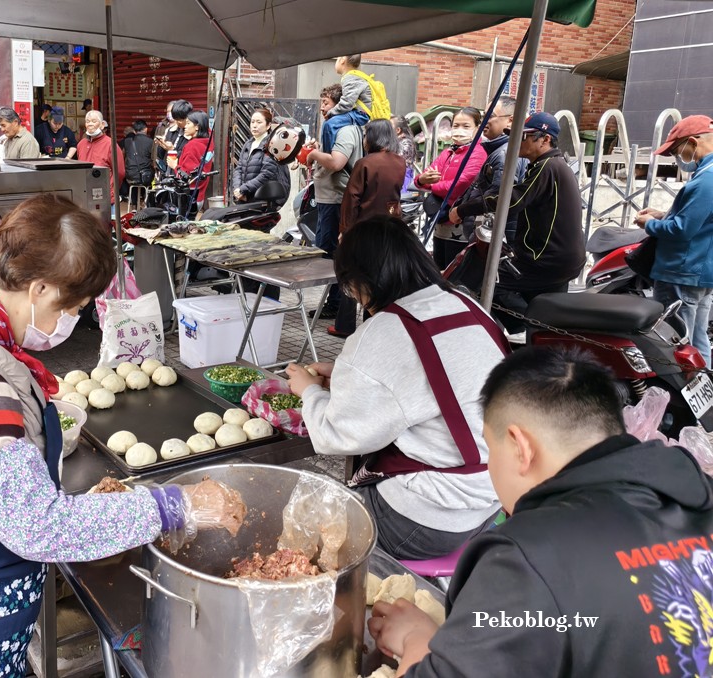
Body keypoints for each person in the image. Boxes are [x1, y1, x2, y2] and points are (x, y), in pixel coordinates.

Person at [0, 194, 245, 677]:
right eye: (70, 306)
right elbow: (35, 525)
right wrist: (174, 505)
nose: (67, 321)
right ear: (38, 288)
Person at [369, 347, 713, 678]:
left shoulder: (525, 562)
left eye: (491, 449)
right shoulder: (698, 495)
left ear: (521, 447)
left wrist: (416, 638)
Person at [285, 215, 503, 559]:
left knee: (301, 529)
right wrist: (346, 375)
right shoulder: (468, 306)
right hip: (493, 498)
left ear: (361, 281)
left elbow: (335, 435)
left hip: (427, 520)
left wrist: (308, 390)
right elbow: (422, 383)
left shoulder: (384, 332)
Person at [454, 112, 585, 333]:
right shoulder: (554, 165)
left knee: (489, 283)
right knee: (545, 311)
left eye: (525, 137)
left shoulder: (547, 167)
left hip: (546, 259)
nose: (518, 142)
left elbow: (511, 200)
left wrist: (463, 209)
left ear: (545, 139)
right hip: (561, 258)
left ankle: (524, 330)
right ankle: (539, 334)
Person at [634, 115, 713, 365]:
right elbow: (701, 219)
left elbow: (682, 230)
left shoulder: (706, 180)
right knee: (697, 338)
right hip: (699, 271)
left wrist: (650, 224)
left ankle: (681, 387)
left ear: (693, 142)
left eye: (677, 151)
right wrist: (663, 214)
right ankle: (704, 385)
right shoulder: (706, 174)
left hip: (682, 271)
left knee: (674, 342)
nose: (677, 158)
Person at [332, 120, 407, 338]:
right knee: (379, 277)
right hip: (389, 227)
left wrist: (345, 230)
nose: (364, 140)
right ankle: (372, 324)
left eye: (366, 135)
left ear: (373, 137)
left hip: (363, 227)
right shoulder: (400, 162)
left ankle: (345, 325)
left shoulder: (365, 163)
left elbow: (352, 198)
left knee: (352, 274)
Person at [304, 83, 364, 320]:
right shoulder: (336, 127)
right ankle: (335, 303)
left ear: (340, 105)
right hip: (328, 197)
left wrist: (314, 155)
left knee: (334, 254)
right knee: (328, 251)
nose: (322, 108)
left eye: (326, 103)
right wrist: (318, 149)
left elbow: (337, 162)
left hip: (336, 198)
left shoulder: (346, 129)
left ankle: (338, 305)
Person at [414, 107, 487, 269]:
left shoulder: (478, 152)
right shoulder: (448, 152)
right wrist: (421, 180)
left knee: (454, 270)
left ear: (477, 128)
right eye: (456, 125)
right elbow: (424, 175)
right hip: (440, 220)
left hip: (461, 222)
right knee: (438, 268)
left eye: (466, 126)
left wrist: (430, 184)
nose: (459, 130)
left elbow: (460, 184)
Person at [448, 96, 528, 244]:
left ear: (510, 120)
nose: (484, 121)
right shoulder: (500, 150)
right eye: (484, 116)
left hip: (496, 236)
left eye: (490, 116)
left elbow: (497, 197)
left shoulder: (505, 154)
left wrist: (462, 210)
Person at [231, 108, 285, 208]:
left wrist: (243, 189)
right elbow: (239, 169)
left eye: (259, 122)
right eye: (252, 122)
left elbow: (267, 174)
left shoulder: (272, 145)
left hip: (261, 199)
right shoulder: (248, 144)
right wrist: (237, 189)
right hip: (243, 198)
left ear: (268, 125)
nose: (254, 125)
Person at [167, 110, 215, 214]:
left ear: (197, 127)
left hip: (188, 197)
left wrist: (175, 165)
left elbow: (187, 176)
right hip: (199, 195)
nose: (185, 126)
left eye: (188, 123)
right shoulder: (208, 142)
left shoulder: (192, 146)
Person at [76, 110, 126, 205]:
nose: (90, 124)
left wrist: (112, 189)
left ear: (102, 125)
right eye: (87, 121)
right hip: (84, 196)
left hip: (106, 196)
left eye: (94, 121)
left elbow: (120, 172)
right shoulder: (81, 144)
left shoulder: (110, 144)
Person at [157, 99, 193, 176]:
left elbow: (187, 158)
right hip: (168, 174)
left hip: (181, 175)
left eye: (179, 119)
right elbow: (160, 155)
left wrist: (172, 150)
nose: (177, 122)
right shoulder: (170, 130)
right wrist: (162, 145)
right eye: (175, 119)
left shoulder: (192, 134)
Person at [121, 119, 155, 196]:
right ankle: (147, 199)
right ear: (146, 129)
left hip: (130, 175)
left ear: (134, 130)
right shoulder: (150, 142)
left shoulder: (127, 141)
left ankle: (133, 201)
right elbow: (153, 159)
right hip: (145, 176)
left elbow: (123, 156)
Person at [392, 115, 418, 192]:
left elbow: (395, 158)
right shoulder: (396, 141)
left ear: (398, 130)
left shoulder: (406, 142)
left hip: (403, 178)